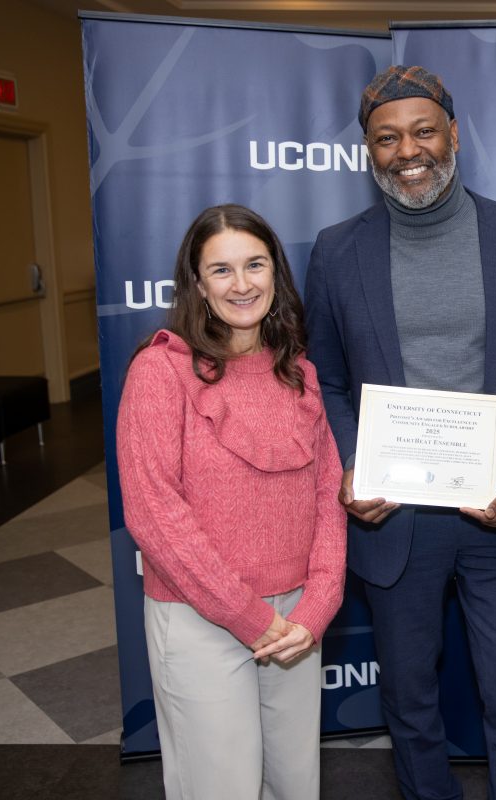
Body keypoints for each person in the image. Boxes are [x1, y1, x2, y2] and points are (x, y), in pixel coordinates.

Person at [303, 66, 496, 800]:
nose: (407, 150)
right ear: (367, 151)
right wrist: (355, 465)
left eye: (423, 131)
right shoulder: (335, 251)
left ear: (454, 134)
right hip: (396, 518)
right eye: (386, 138)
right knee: (411, 701)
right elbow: (323, 379)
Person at [117, 204, 346, 799]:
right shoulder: (159, 372)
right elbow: (154, 516)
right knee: (220, 786)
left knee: (295, 783)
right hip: (201, 618)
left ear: (277, 273)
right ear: (197, 282)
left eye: (255, 265)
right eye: (221, 270)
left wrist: (316, 604)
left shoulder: (299, 371)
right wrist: (251, 618)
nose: (242, 284)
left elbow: (327, 494)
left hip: (293, 621)